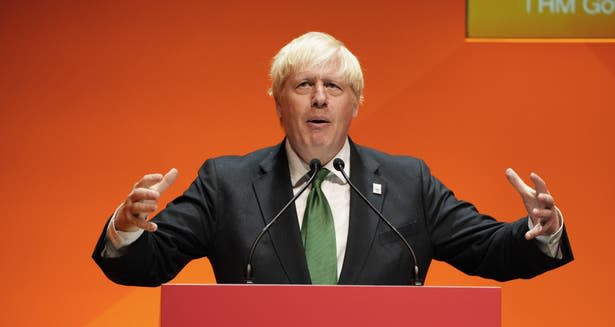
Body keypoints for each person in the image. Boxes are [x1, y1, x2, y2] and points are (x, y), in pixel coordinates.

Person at [92, 32, 573, 286]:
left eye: (334, 87)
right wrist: (128, 228)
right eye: (303, 85)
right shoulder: (227, 183)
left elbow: (489, 250)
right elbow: (144, 266)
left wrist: (541, 231)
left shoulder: (409, 183)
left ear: (354, 104)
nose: (319, 99)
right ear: (280, 103)